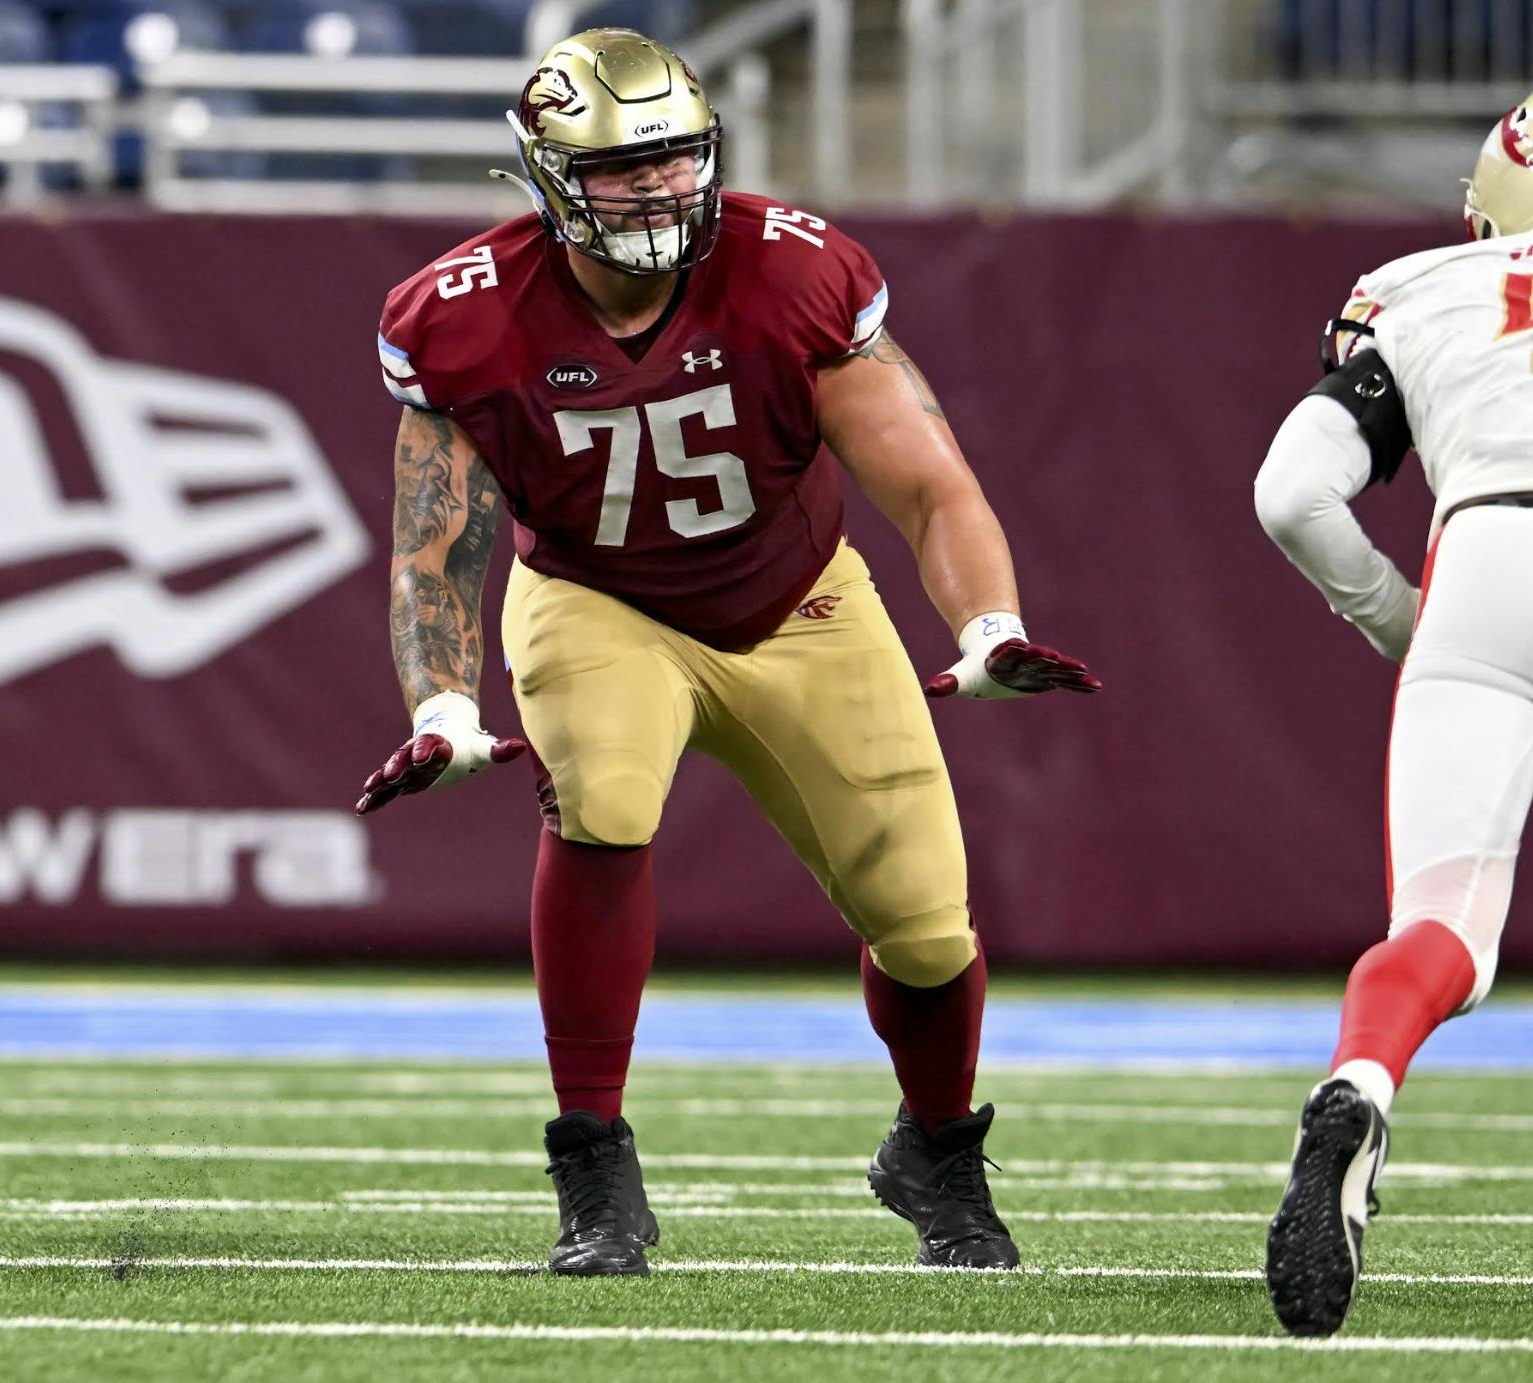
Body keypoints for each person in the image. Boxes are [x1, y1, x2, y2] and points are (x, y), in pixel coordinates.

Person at [357, 27, 1099, 1278]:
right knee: (601, 800)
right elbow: (434, 549)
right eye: (619, 167)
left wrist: (989, 626)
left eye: (674, 158)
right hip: (596, 598)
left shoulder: (789, 270)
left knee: (926, 928)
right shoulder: (463, 314)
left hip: (798, 597)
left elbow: (931, 486)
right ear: (548, 176)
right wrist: (441, 707)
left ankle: (936, 1149)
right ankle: (593, 1164)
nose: (656, 189)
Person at [1255, 95, 1533, 1336]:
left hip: (1485, 559)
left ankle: (1361, 1081)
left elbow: (1290, 494)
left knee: (1442, 927)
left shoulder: (1421, 289)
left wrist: (1397, 620)